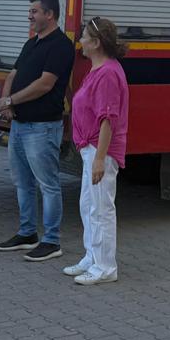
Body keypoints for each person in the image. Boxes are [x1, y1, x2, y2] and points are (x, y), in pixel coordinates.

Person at [0, 0, 76, 262]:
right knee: (23, 183)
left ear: (49, 15)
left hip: (42, 127)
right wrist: (5, 102)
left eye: (34, 11)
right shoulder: (32, 44)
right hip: (19, 125)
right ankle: (27, 233)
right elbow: (13, 74)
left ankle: (51, 240)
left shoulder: (61, 46)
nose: (30, 16)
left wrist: (11, 100)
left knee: (48, 184)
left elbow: (45, 84)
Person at [63, 16, 129, 285]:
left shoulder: (108, 74)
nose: (80, 41)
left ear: (96, 43)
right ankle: (92, 257)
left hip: (100, 149)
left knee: (101, 208)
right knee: (89, 205)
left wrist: (100, 158)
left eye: (84, 37)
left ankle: (105, 266)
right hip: (90, 147)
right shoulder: (98, 69)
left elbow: (108, 118)